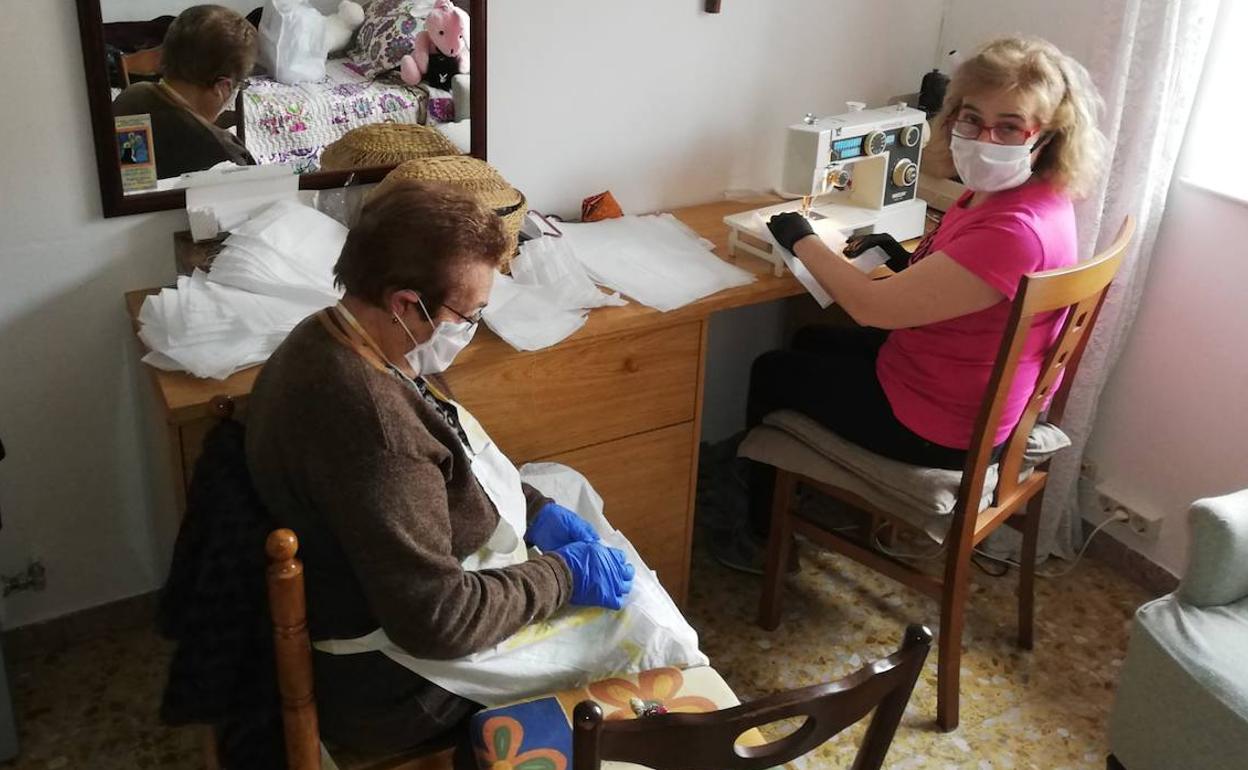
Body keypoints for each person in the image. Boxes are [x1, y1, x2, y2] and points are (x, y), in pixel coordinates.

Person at [245, 182, 635, 754]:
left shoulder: (337, 335)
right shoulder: (373, 428)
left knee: (563, 486)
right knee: (641, 630)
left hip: (394, 586)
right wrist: (563, 576)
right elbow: (440, 621)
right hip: (398, 680)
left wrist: (537, 512)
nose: (471, 329)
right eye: (468, 313)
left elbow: (445, 450)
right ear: (405, 303)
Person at [717, 37, 1107, 572]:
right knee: (810, 338)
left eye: (1009, 127)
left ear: (1047, 134)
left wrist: (798, 234)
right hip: (963, 384)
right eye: (971, 119)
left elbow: (871, 308)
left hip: (943, 426)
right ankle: (789, 498)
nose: (985, 139)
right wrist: (899, 262)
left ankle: (763, 542)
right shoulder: (1023, 195)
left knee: (773, 370)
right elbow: (963, 289)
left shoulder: (1015, 230)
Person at [112, 5, 257, 179]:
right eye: (240, 85)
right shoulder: (227, 156)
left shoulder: (130, 100)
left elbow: (133, 184)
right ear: (223, 88)